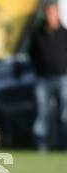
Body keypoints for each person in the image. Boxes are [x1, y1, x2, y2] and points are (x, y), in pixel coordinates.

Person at [29, 2, 67, 151]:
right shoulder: (38, 34)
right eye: (48, 13)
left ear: (57, 14)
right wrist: (37, 69)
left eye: (53, 13)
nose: (50, 16)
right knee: (42, 112)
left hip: (63, 78)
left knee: (64, 113)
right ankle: (41, 143)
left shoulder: (64, 33)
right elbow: (32, 54)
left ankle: (63, 143)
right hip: (43, 79)